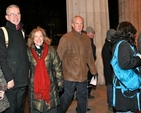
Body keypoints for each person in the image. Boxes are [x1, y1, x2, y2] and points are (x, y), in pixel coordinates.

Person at [57, 15, 98, 113]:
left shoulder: (86, 39)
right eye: (77, 23)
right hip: (69, 75)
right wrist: (56, 75)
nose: (79, 26)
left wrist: (94, 72)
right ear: (72, 25)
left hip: (83, 75)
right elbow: (58, 57)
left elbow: (90, 57)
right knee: (67, 97)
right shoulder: (66, 38)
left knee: (83, 98)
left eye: (81, 24)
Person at [27, 26, 64, 113]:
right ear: (32, 38)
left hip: (50, 86)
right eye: (36, 36)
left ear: (44, 37)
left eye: (40, 36)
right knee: (37, 109)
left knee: (51, 109)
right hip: (34, 88)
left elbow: (57, 67)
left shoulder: (51, 50)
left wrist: (60, 83)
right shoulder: (28, 52)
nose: (38, 39)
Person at [0, 4, 29, 113]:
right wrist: (9, 78)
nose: (16, 16)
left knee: (20, 109)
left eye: (18, 13)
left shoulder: (22, 32)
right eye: (12, 14)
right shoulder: (2, 32)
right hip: (11, 81)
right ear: (7, 17)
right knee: (11, 110)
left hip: (22, 80)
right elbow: (1, 58)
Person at [111, 21, 141, 113]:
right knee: (126, 110)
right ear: (128, 32)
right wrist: (138, 59)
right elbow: (124, 63)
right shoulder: (124, 44)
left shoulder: (118, 43)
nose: (134, 36)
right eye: (133, 33)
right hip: (126, 84)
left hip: (122, 82)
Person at [101, 29, 116, 112]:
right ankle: (110, 105)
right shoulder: (108, 47)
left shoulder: (108, 44)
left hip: (109, 70)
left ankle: (111, 104)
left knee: (111, 87)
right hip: (109, 71)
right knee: (110, 88)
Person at [86, 26, 96, 99]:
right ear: (88, 33)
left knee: (92, 79)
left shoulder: (91, 41)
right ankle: (87, 94)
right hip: (87, 65)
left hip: (91, 64)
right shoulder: (87, 42)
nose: (93, 34)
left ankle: (88, 93)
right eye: (92, 33)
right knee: (89, 79)